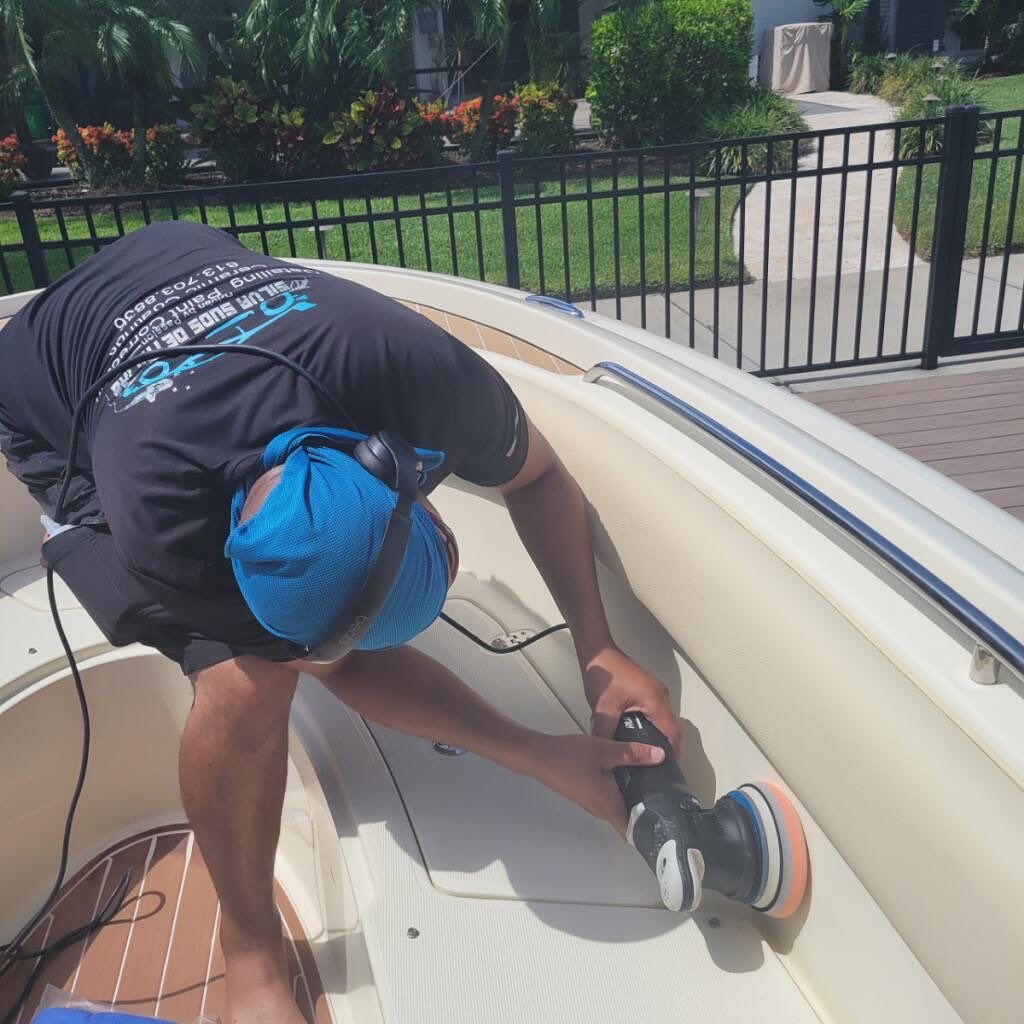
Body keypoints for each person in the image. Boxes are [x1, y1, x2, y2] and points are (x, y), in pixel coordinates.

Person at [0, 222, 681, 1024]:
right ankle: (247, 953)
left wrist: (600, 650)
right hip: (36, 385)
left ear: (400, 469)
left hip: (181, 256)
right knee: (242, 683)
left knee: (282, 657)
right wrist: (535, 754)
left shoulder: (414, 368)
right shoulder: (161, 517)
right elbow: (338, 666)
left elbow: (538, 477)